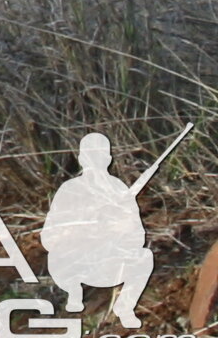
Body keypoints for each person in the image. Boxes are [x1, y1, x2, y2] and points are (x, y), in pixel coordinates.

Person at [43, 133, 155, 324]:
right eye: (90, 156)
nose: (95, 162)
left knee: (145, 258)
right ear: (81, 159)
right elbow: (48, 238)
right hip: (75, 263)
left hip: (108, 262)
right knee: (55, 258)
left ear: (108, 159)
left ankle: (124, 307)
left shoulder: (118, 189)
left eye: (100, 156)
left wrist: (119, 229)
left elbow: (138, 237)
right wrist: (84, 231)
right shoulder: (69, 190)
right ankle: (74, 292)